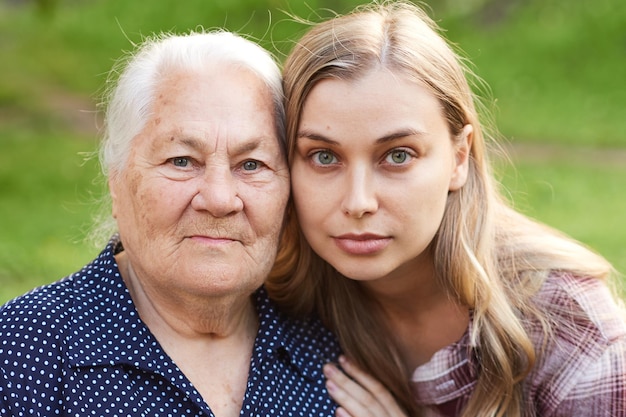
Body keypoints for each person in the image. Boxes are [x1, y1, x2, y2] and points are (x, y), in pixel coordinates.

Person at [267, 1, 626, 416]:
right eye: (324, 157)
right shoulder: (276, 297)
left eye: (398, 156)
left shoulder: (570, 331)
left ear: (459, 158)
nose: (358, 202)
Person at [0, 30, 342, 416]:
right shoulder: (22, 351)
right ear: (117, 181)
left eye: (251, 165)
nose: (218, 199)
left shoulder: (334, 355)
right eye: (182, 161)